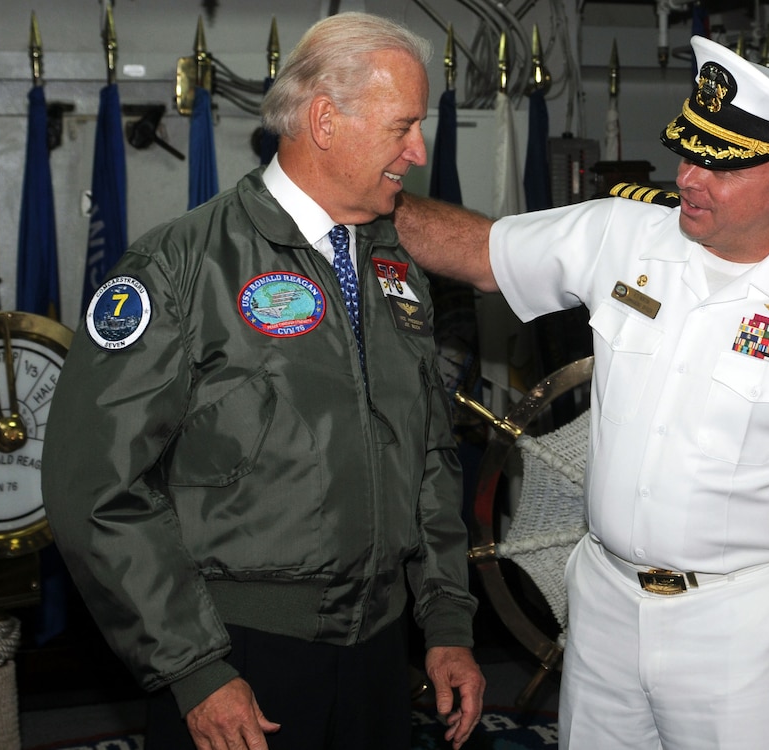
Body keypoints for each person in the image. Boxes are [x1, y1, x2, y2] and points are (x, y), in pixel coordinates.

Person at [394, 35, 769, 750]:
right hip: (605, 611)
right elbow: (481, 253)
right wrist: (361, 197)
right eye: (689, 152)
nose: (690, 178)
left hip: (740, 636)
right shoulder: (625, 233)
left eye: (721, 165)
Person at [41, 12, 484, 750]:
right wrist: (195, 668)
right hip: (238, 654)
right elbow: (96, 488)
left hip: (380, 655)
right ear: (324, 120)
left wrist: (445, 622)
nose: (417, 149)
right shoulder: (180, 268)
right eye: (402, 125)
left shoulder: (394, 270)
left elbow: (431, 456)